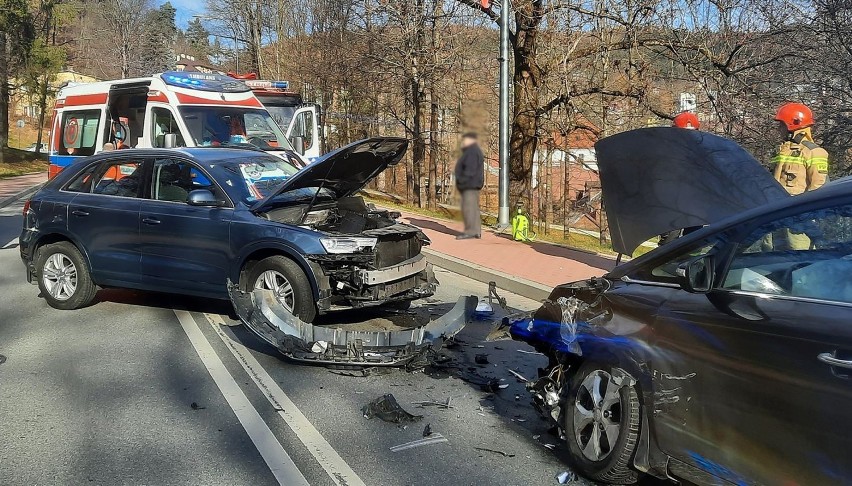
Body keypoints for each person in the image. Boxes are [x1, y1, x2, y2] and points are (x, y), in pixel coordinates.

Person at [770, 102, 829, 250]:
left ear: (793, 125)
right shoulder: (783, 150)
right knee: (772, 255)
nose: (779, 129)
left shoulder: (814, 152)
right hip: (776, 215)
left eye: (781, 125)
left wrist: (807, 217)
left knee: (799, 257)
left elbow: (818, 188)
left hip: (798, 219)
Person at [454, 132, 485, 240]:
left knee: (468, 208)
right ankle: (476, 231)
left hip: (469, 184)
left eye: (465, 140)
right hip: (473, 184)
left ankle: (471, 231)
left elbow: (469, 170)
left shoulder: (471, 152)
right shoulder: (474, 151)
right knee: (473, 208)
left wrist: (461, 181)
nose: (463, 142)